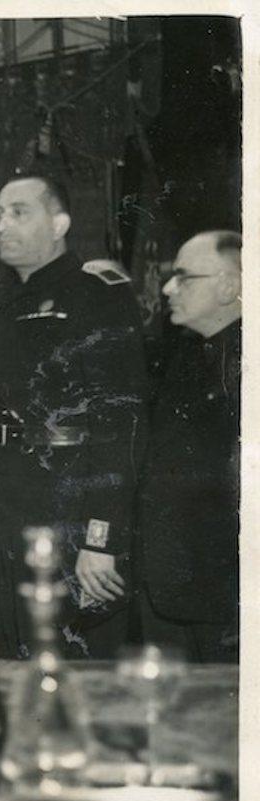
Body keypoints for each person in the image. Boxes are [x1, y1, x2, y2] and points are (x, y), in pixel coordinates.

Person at [0, 175, 149, 659]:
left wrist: (102, 537)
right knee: (11, 658)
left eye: (19, 212)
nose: (2, 225)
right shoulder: (10, 302)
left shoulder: (96, 295)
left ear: (60, 224)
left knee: (71, 666)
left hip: (70, 504)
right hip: (9, 501)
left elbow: (121, 421)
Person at [134, 230, 241, 662]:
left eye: (184, 277)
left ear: (230, 286)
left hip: (226, 597)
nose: (167, 288)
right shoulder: (186, 356)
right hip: (172, 585)